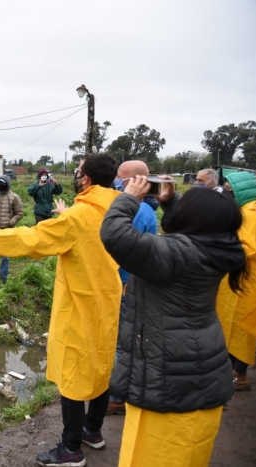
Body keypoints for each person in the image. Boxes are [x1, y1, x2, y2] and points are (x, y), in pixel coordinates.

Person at [0, 155, 122, 467]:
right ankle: (92, 431)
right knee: (101, 366)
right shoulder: (118, 209)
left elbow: (33, 239)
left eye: (79, 170)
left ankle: (71, 449)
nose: (76, 174)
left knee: (72, 375)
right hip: (109, 300)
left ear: (85, 178)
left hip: (80, 304)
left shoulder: (79, 216)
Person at [101, 180, 246, 467]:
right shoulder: (218, 247)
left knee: (157, 456)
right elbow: (183, 233)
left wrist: (129, 198)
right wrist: (169, 202)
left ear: (191, 219)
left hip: (170, 379)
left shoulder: (179, 253)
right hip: (198, 370)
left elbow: (115, 235)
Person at [107, 160, 158, 415]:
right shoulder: (147, 210)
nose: (116, 181)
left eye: (119, 177)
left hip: (124, 284)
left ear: (132, 181)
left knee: (121, 343)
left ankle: (116, 397)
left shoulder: (132, 211)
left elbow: (118, 247)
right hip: (136, 283)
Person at [215, 171, 256, 391]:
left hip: (247, 281)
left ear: (240, 190)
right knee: (232, 328)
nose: (226, 192)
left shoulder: (251, 214)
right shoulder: (250, 209)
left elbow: (244, 247)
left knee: (242, 330)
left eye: (229, 188)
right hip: (241, 279)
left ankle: (240, 376)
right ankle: (233, 373)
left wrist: (213, 254)